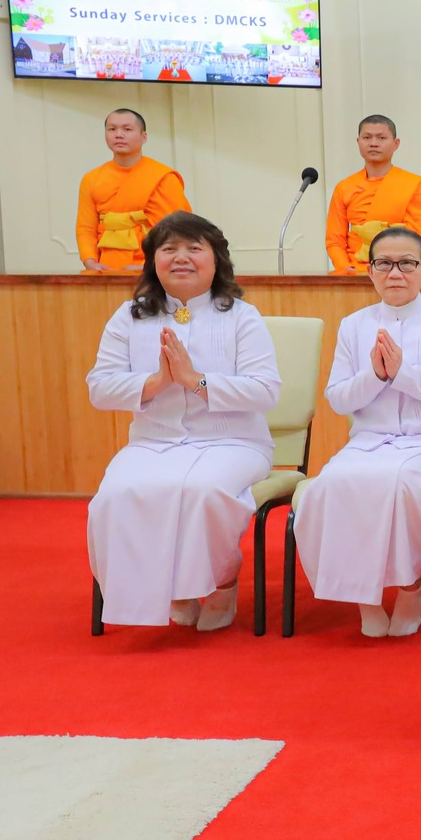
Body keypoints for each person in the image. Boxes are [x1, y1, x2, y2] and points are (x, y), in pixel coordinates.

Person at [86, 212, 279, 630]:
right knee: (115, 496)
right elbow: (99, 387)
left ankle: (221, 584)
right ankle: (161, 593)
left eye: (194, 248)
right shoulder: (129, 316)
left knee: (203, 491)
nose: (181, 257)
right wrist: (155, 382)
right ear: (153, 261)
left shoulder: (241, 316)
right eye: (169, 249)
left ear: (216, 260)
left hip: (233, 442)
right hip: (153, 443)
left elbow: (266, 390)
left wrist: (196, 381)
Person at [293, 228, 421, 637]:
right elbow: (339, 399)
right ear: (370, 271)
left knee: (402, 481)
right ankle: (366, 596)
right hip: (369, 442)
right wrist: (376, 374)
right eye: (384, 263)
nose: (396, 272)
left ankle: (409, 586)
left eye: (407, 263)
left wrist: (403, 374)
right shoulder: (354, 325)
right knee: (334, 482)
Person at [76, 108, 191, 273]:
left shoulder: (162, 177)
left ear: (143, 137)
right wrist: (90, 261)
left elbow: (179, 231)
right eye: (112, 129)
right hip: (104, 267)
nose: (119, 134)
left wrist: (148, 267)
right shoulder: (91, 179)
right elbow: (85, 227)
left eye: (127, 129)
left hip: (153, 269)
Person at [325, 114, 421, 273]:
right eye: (366, 137)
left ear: (395, 143)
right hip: (354, 272)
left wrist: (375, 231)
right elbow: (334, 240)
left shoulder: (414, 185)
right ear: (358, 142)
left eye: (381, 138)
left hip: (400, 271)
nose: (373, 143)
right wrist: (344, 267)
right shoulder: (344, 187)